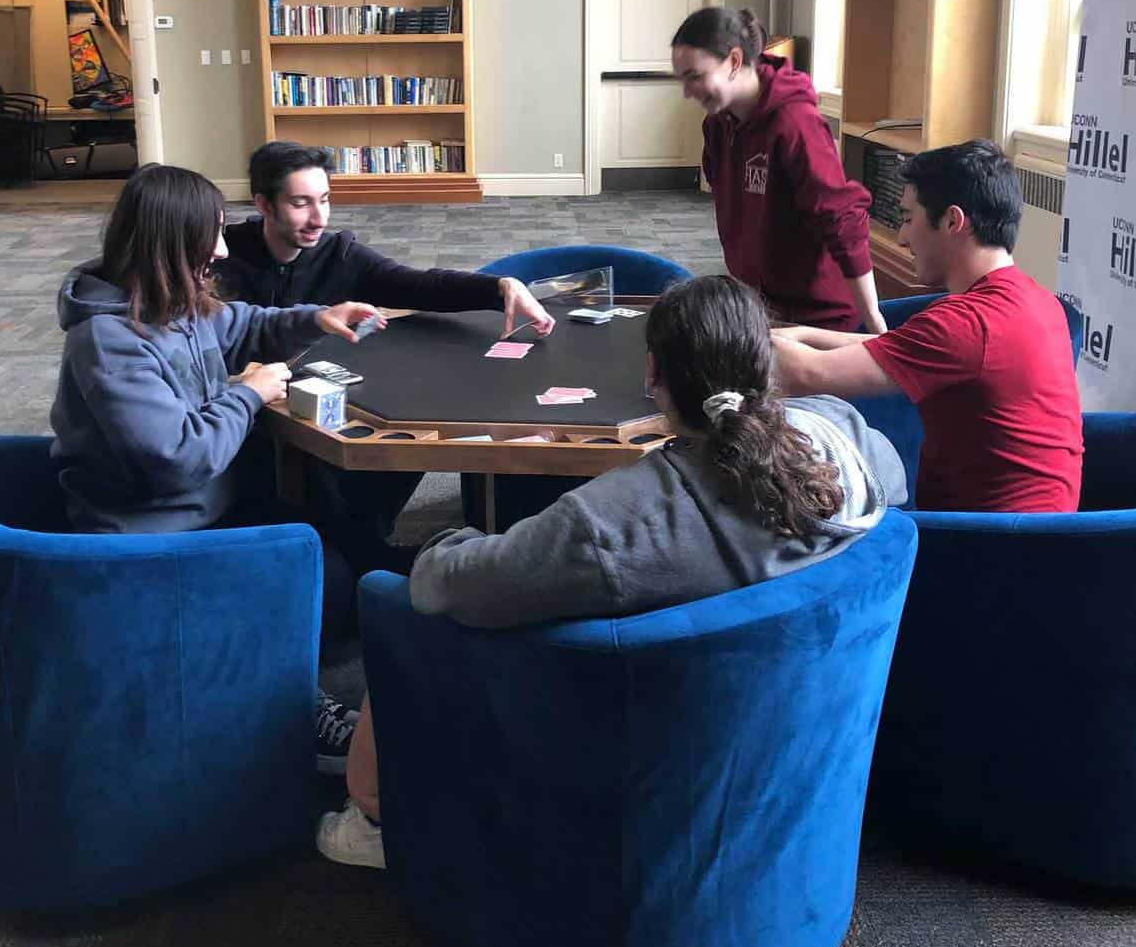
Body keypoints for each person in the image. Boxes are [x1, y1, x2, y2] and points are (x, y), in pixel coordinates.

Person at [316, 273, 907, 867]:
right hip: (796, 746)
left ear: (653, 376)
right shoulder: (846, 432)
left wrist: (448, 540)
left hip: (618, 752)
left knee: (399, 606)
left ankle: (374, 818)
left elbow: (451, 583)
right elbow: (895, 492)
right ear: (767, 366)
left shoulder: (606, 529)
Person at [49, 163, 385, 774]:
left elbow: (245, 324)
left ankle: (259, 663)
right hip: (149, 535)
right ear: (171, 242)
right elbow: (177, 460)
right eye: (214, 236)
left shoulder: (171, 302)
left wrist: (315, 318)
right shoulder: (110, 340)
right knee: (308, 573)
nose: (225, 249)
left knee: (336, 569)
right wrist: (250, 393)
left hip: (199, 508)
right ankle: (278, 712)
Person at [215, 142, 554, 569]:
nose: (319, 218)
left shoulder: (338, 254)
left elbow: (418, 285)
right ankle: (368, 560)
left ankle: (362, 547)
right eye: (301, 204)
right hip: (245, 413)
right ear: (263, 203)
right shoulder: (219, 255)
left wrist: (499, 287)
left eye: (324, 200)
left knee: (405, 425)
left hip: (320, 400)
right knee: (309, 462)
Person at [771, 140, 1083, 513]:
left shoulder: (965, 326)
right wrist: (800, 334)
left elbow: (802, 374)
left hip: (980, 545)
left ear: (953, 221)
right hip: (1037, 533)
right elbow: (890, 346)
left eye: (907, 218)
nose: (902, 237)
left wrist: (718, 336)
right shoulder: (1033, 300)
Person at [671, 6, 885, 335]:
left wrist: (874, 323)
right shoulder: (718, 125)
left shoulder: (795, 123)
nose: (687, 92)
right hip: (759, 305)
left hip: (815, 316)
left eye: (695, 77)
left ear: (734, 61)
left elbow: (841, 219)